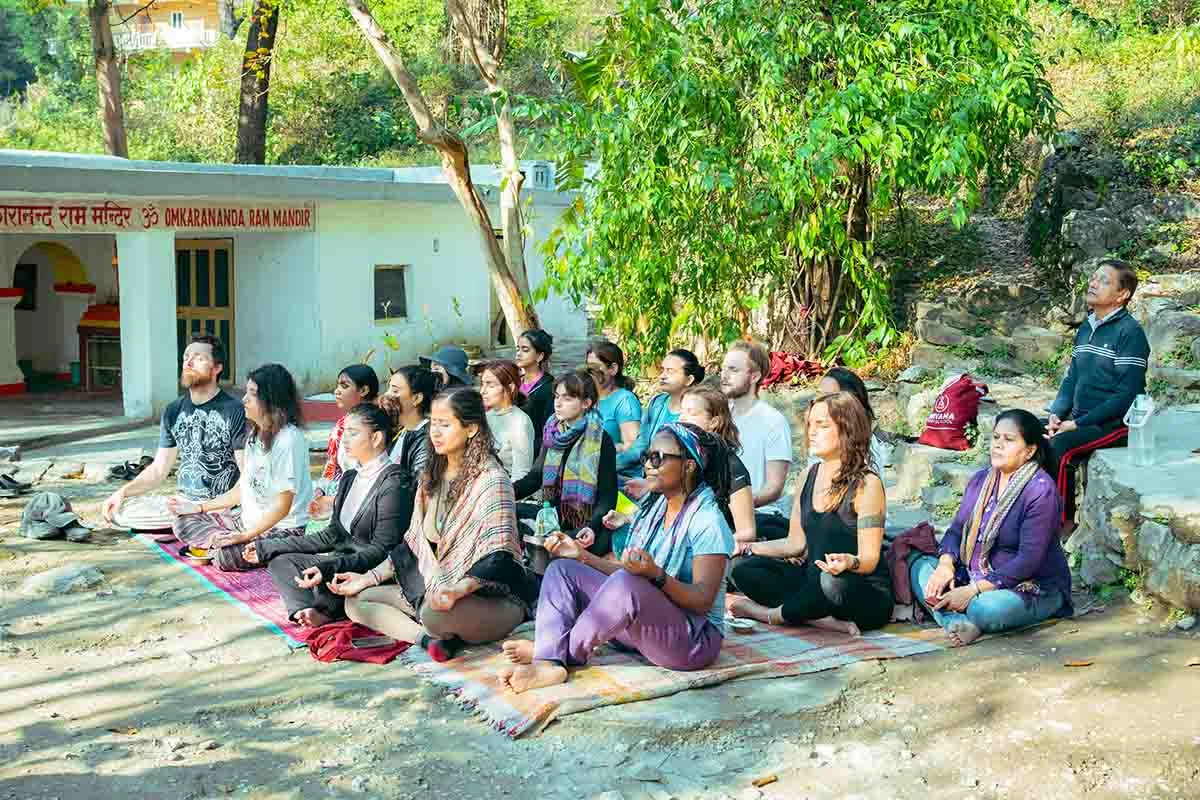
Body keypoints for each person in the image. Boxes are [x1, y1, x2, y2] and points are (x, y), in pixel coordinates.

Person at [498, 423, 734, 693]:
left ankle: (554, 653)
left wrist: (656, 575)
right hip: (649, 625)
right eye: (647, 456)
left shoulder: (707, 520)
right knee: (562, 569)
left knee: (627, 583)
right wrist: (581, 555)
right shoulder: (654, 508)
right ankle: (550, 658)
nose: (648, 465)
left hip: (691, 641)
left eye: (658, 458)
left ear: (689, 466)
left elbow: (702, 601)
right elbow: (629, 575)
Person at [330, 388, 533, 662]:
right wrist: (367, 578)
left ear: (471, 428)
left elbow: (498, 557)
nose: (435, 432)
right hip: (435, 591)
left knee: (432, 613)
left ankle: (433, 628)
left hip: (491, 597)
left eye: (445, 425)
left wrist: (456, 590)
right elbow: (413, 545)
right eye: (433, 424)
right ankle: (426, 640)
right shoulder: (431, 477)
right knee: (355, 600)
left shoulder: (491, 480)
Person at [728, 392, 891, 636]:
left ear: (847, 430)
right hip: (811, 579)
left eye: (822, 425)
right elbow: (795, 544)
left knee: (830, 582)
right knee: (742, 569)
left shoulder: (867, 484)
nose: (811, 432)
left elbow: (869, 560)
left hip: (857, 587)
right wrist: (746, 547)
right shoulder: (809, 476)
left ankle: (769, 614)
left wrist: (849, 561)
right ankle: (818, 619)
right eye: (810, 424)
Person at [910, 409, 1072, 646]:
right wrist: (945, 566)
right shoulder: (981, 480)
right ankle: (957, 623)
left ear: (1030, 451)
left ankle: (962, 617)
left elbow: (1029, 560)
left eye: (1008, 440)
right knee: (919, 567)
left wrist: (972, 591)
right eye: (996, 438)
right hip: (975, 576)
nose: (998, 445)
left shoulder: (1040, 492)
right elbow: (956, 530)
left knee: (985, 609)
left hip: (1029, 587)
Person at [255, 404, 406, 627]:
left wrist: (329, 568)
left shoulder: (394, 483)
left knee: (331, 576)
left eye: (353, 433)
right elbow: (331, 535)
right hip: (340, 560)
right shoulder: (350, 477)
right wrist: (268, 546)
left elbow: (382, 550)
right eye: (345, 432)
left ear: (376, 438)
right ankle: (305, 609)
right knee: (281, 561)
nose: (345, 440)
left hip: (368, 568)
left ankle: (325, 610)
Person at [169, 363, 314, 571]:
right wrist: (199, 507)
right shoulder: (255, 435)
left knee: (226, 558)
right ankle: (221, 541)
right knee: (182, 521)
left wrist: (245, 536)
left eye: (252, 394)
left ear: (271, 400)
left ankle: (222, 546)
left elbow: (283, 507)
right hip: (246, 524)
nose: (244, 399)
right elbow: (243, 489)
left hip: (282, 530)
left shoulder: (288, 440)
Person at [101, 335, 247, 532]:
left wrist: (209, 506)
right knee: (120, 510)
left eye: (199, 358)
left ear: (217, 368)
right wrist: (122, 492)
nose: (189, 362)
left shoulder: (235, 411)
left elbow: (248, 476)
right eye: (186, 356)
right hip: (184, 503)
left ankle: (202, 524)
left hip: (221, 506)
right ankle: (192, 525)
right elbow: (159, 469)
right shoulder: (173, 410)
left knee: (233, 515)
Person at [1047, 259, 1149, 532]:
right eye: (1093, 278)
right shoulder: (1087, 327)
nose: (1093, 283)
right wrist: (1056, 414)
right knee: (1024, 433)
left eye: (1104, 280)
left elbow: (1126, 396)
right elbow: (1072, 379)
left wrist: (1077, 424)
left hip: (1116, 424)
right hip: (1081, 418)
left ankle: (1060, 525)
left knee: (1060, 449)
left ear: (1122, 294)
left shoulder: (1130, 333)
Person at [514, 369, 618, 557]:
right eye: (557, 396)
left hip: (586, 521)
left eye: (568, 398)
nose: (558, 403)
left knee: (564, 543)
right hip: (553, 514)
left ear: (586, 403)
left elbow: (608, 496)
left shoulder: (600, 440)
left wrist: (592, 527)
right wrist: (502, 492)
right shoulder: (553, 434)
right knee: (510, 510)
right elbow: (535, 477)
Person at [720, 340, 793, 540]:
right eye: (723, 368)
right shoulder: (720, 415)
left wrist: (739, 504)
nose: (724, 375)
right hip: (721, 514)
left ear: (754, 376)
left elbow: (774, 488)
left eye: (733, 370)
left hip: (762, 515)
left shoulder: (773, 422)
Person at [678, 385, 756, 544]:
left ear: (714, 422)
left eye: (690, 413)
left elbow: (747, 532)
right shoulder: (678, 459)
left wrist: (700, 546)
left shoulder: (731, 467)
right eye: (682, 411)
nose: (681, 419)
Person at [617, 349, 704, 477]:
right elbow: (640, 447)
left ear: (689, 379)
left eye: (670, 371)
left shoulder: (696, 411)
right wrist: (610, 464)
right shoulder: (658, 403)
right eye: (662, 370)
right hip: (646, 475)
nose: (663, 375)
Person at [311, 364, 380, 518]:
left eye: (344, 386)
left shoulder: (374, 425)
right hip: (338, 492)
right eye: (338, 385)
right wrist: (320, 490)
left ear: (363, 390)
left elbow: (370, 476)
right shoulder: (343, 422)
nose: (337, 391)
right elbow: (333, 467)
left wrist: (334, 500)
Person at [808, 367, 886, 472]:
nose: (819, 402)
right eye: (818, 395)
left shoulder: (866, 451)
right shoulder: (821, 440)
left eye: (828, 397)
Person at [480, 359, 536, 481]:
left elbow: (521, 472)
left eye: (490, 385)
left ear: (510, 387)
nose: (482, 391)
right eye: (482, 384)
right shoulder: (485, 417)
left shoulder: (520, 422)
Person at [586, 340, 642, 456]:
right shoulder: (588, 397)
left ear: (613, 369)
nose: (590, 372)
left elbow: (633, 447)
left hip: (614, 470)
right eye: (588, 368)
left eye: (594, 367)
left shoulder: (625, 401)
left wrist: (605, 450)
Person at [380, 366, 435, 481]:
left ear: (416, 398)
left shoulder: (426, 439)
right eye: (388, 389)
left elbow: (417, 484)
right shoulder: (401, 431)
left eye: (395, 391)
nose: (387, 395)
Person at [516, 329, 555, 456]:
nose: (519, 354)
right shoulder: (515, 383)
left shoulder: (548, 388)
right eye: (518, 349)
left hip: (533, 451)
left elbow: (547, 428)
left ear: (540, 356)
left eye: (525, 350)